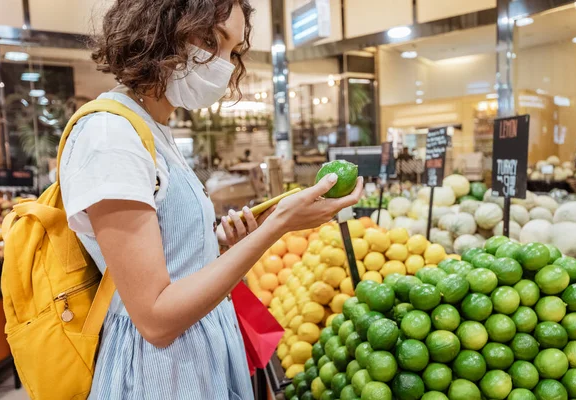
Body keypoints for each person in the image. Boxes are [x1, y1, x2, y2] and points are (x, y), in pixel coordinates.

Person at [60, 1, 363, 399]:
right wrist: (277, 226)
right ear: (158, 26)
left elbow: (166, 257)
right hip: (161, 371)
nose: (222, 64)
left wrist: (218, 243)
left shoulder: (154, 129)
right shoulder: (109, 136)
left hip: (198, 348)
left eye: (233, 51)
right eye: (210, 40)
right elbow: (155, 318)